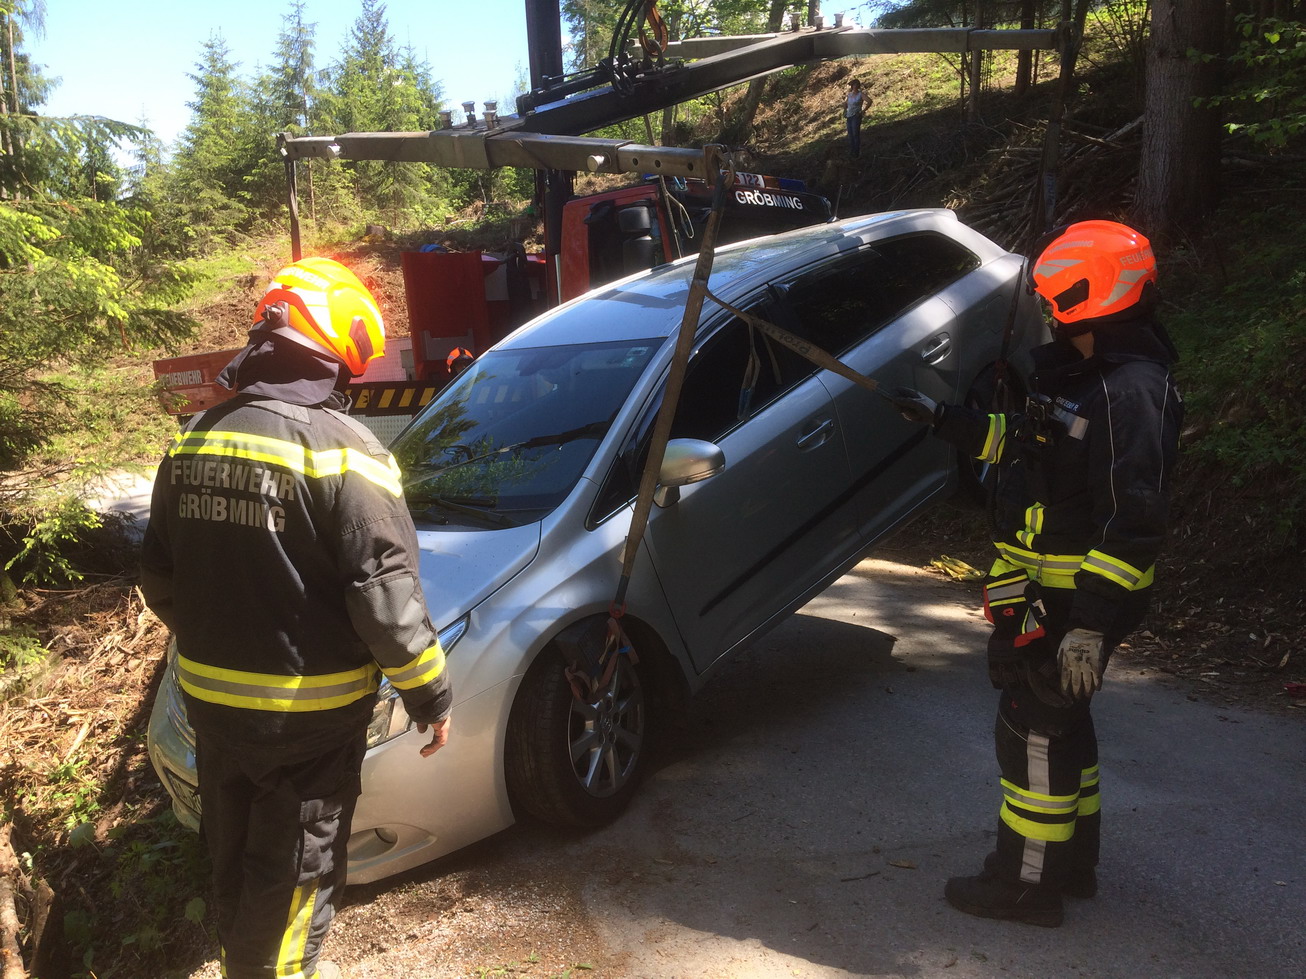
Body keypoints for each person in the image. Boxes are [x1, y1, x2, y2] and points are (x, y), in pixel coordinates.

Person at [140, 257, 453, 978]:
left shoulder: (195, 438)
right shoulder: (347, 452)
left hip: (213, 711)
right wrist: (430, 694)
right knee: (297, 879)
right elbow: (384, 598)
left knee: (236, 858)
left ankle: (246, 962)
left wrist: (224, 638)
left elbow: (159, 579)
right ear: (334, 350)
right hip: (308, 724)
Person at [885, 220, 1183, 927]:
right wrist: (946, 420)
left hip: (1078, 602)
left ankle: (1024, 883)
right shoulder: (1082, 375)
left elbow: (1132, 519)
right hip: (1044, 593)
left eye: (1055, 297)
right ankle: (1072, 864)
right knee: (1063, 726)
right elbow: (1026, 450)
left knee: (1033, 729)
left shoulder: (1131, 391)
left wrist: (1088, 628)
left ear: (1089, 294)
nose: (1047, 309)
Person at [844, 79, 865, 158]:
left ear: (858, 86)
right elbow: (845, 103)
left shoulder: (860, 94)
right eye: (853, 85)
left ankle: (857, 151)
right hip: (849, 116)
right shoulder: (849, 95)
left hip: (856, 116)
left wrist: (863, 110)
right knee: (850, 134)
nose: (854, 87)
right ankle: (852, 150)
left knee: (856, 134)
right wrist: (844, 110)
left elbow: (869, 101)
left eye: (856, 85)